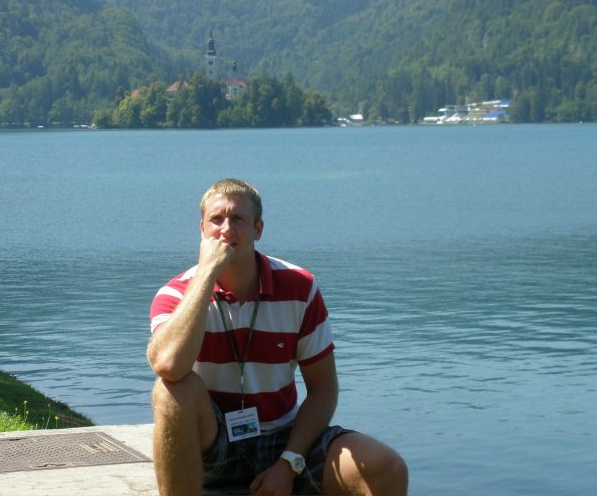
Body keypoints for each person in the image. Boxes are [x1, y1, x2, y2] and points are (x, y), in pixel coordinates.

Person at [148, 178, 408, 496]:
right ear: (202, 229)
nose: (226, 229)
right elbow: (169, 365)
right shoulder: (175, 295)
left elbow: (323, 389)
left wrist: (289, 464)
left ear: (258, 229)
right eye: (216, 220)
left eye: (238, 219)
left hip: (282, 439)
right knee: (170, 391)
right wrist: (206, 273)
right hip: (212, 446)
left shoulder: (299, 287)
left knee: (386, 468)